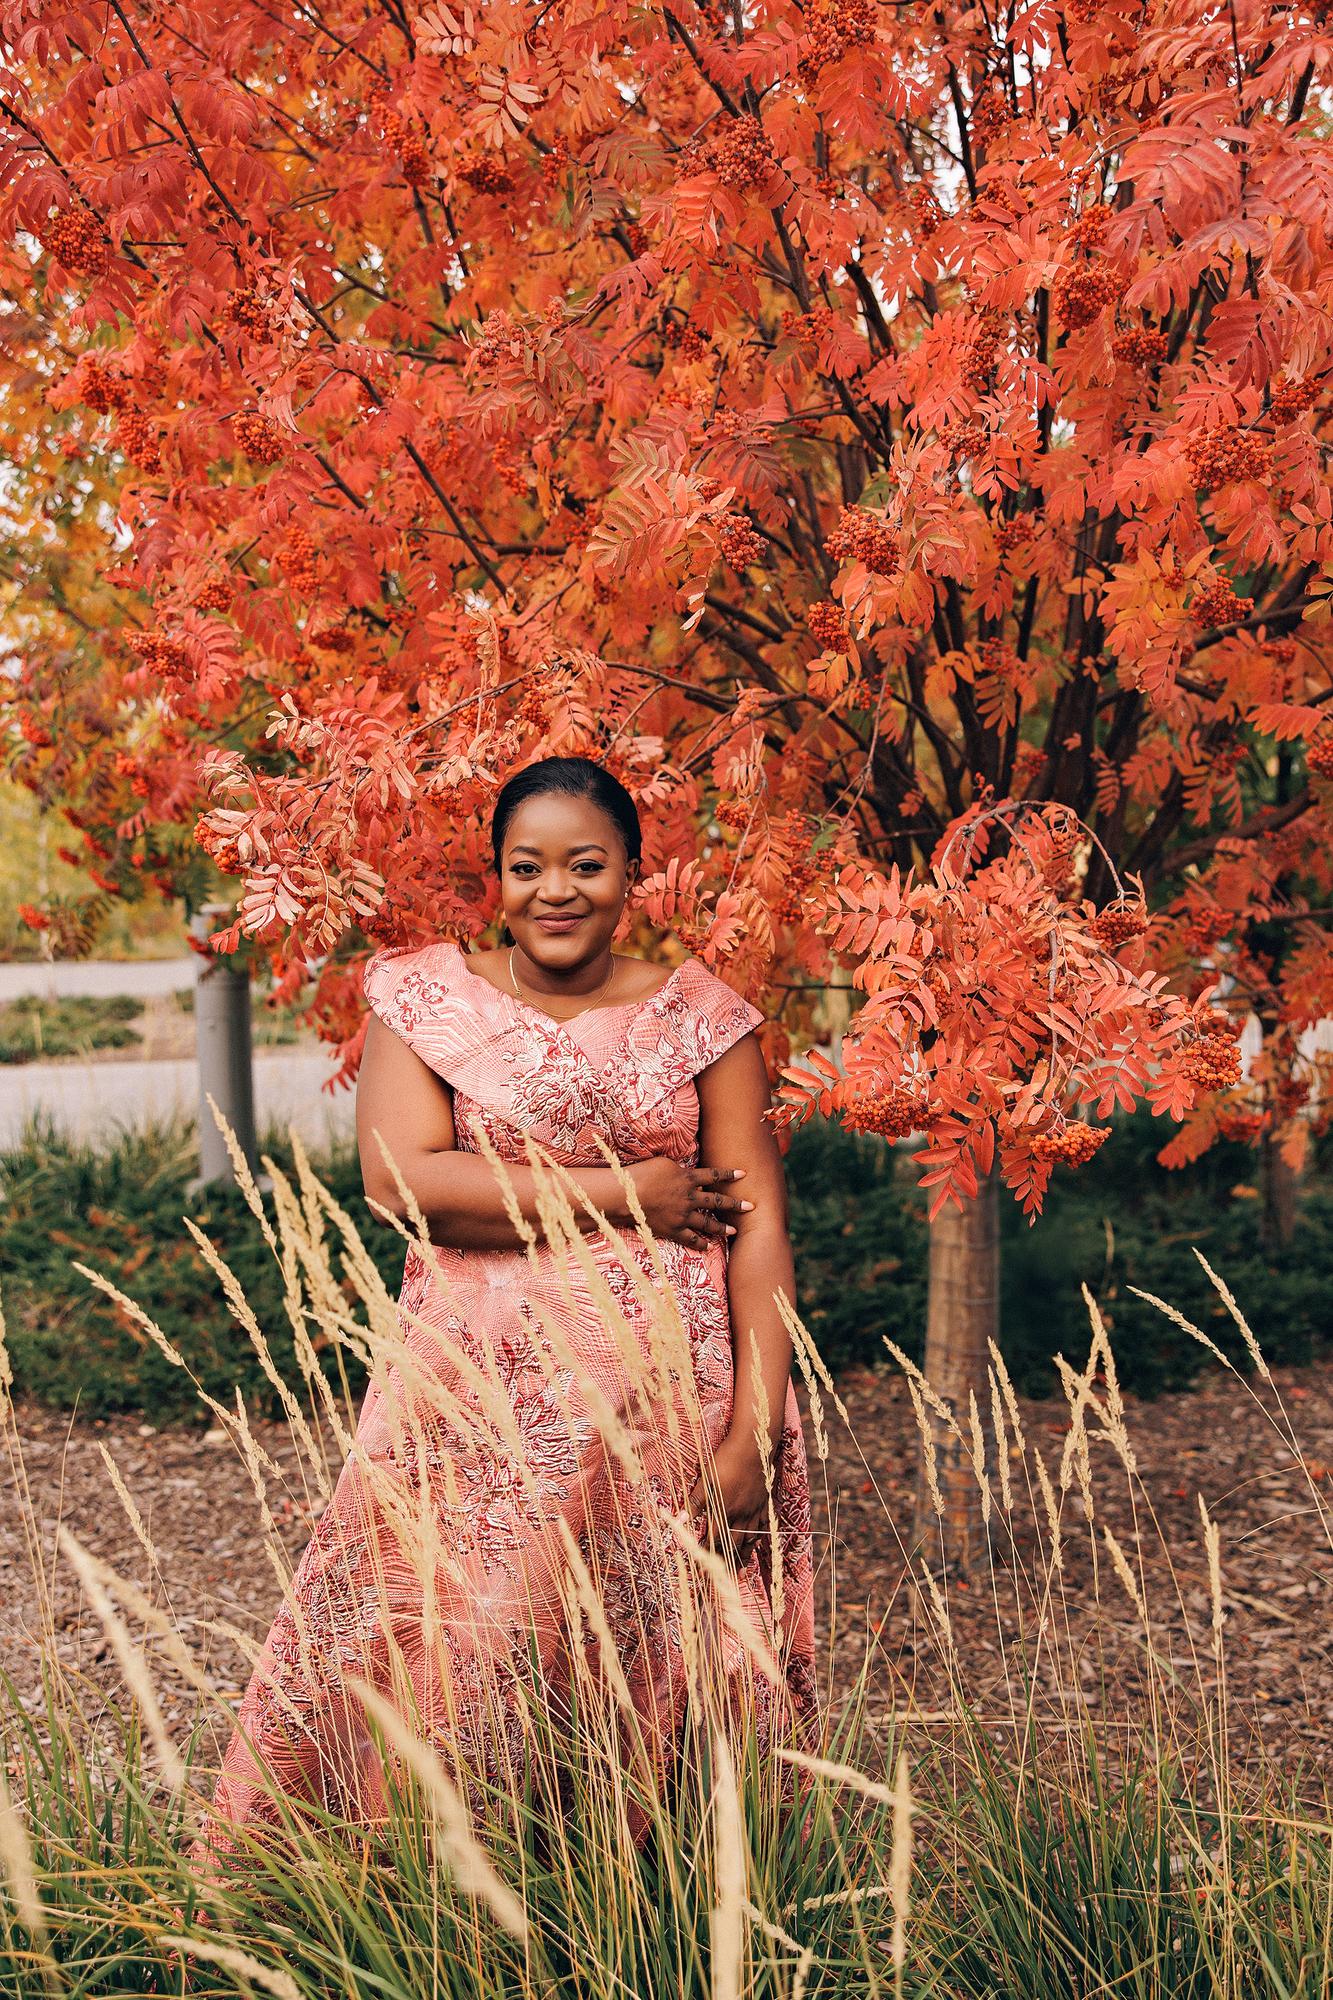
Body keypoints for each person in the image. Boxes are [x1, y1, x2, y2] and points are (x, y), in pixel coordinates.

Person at [194, 754, 817, 1873]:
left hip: (670, 1418)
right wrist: (630, 1190)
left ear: (633, 872)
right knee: (467, 1653)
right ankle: (435, 1902)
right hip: (481, 1417)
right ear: (496, 876)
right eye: (527, 866)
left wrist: (755, 1431)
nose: (556, 889)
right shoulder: (430, 1000)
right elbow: (403, 1180)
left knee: (653, 1664)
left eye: (587, 862)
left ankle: (648, 1917)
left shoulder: (703, 1017)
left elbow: (760, 1226)